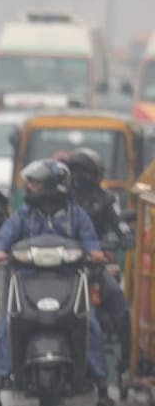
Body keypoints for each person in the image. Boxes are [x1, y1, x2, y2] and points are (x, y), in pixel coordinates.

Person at [0, 159, 121, 406]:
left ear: (54, 186)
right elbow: (5, 238)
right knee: (7, 327)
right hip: (28, 281)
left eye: (36, 183)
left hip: (69, 280)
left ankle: (103, 394)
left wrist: (96, 253)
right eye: (30, 183)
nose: (30, 187)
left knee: (91, 327)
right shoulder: (23, 215)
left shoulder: (76, 215)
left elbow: (90, 241)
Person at [67, 147, 134, 380]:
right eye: (74, 172)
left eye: (84, 172)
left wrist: (124, 237)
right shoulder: (62, 198)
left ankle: (125, 362)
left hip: (95, 262)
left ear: (95, 174)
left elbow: (120, 224)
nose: (79, 177)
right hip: (64, 263)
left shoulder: (108, 200)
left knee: (117, 297)